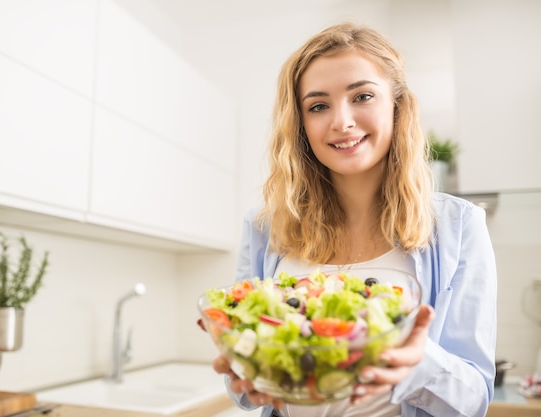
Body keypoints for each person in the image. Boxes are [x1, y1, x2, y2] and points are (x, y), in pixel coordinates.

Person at [212, 22, 497, 417]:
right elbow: (243, 387)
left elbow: (475, 399)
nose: (341, 121)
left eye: (362, 96)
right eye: (318, 105)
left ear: (397, 106)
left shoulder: (459, 225)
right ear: (300, 124)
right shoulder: (264, 227)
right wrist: (243, 366)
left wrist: (416, 363)